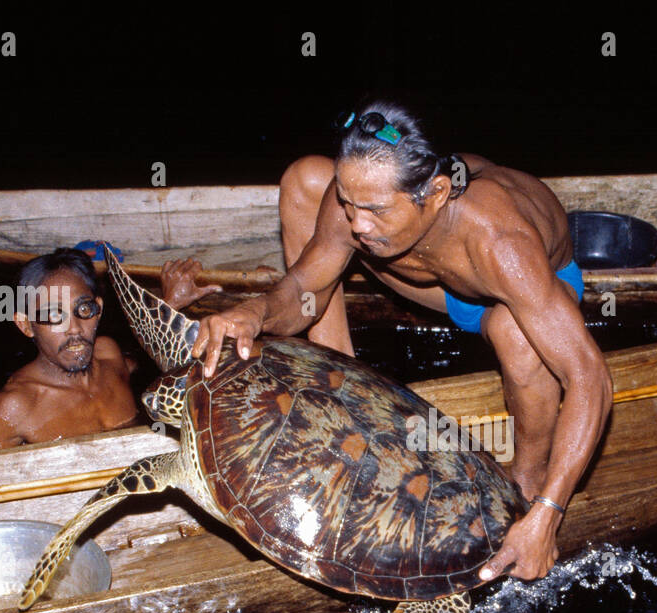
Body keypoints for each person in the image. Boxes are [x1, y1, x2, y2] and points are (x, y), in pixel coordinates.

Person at [190, 100, 613, 582]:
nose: (356, 223)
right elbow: (306, 288)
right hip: (429, 278)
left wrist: (549, 512)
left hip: (507, 288)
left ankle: (528, 482)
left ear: (435, 193)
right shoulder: (357, 208)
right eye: (349, 203)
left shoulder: (501, 241)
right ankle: (342, 399)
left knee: (514, 331)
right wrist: (256, 311)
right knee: (305, 177)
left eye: (373, 209)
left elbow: (590, 376)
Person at [0, 250, 220, 479]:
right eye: (53, 315)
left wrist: (170, 303)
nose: (74, 328)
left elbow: (149, 358)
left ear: (99, 309)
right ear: (26, 325)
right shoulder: (13, 407)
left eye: (83, 309)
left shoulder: (109, 356)